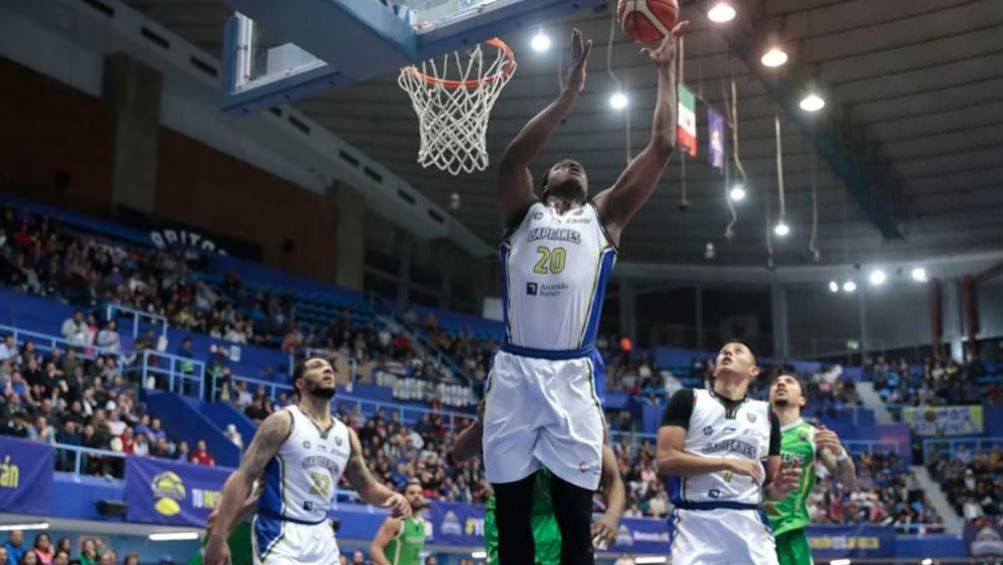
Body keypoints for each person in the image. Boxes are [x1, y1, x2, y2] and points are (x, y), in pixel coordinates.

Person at [488, 23, 685, 565]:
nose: (571, 163)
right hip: (514, 372)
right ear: (546, 181)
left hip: (572, 375)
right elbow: (510, 162)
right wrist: (568, 96)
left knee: (576, 521)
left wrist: (667, 71)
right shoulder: (520, 213)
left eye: (580, 165)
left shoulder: (604, 217)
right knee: (512, 521)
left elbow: (663, 145)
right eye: (560, 164)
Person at [204, 357, 410, 565]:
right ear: (300, 383)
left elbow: (367, 486)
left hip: (321, 535)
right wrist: (219, 537)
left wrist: (393, 497)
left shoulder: (346, 435)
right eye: (317, 366)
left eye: (329, 367)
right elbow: (244, 476)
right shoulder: (283, 422)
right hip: (279, 532)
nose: (327, 369)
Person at [657, 341, 801, 564]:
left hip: (749, 523)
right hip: (695, 521)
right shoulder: (687, 399)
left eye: (737, 351)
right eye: (723, 351)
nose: (727, 353)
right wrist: (726, 463)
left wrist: (780, 488)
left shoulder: (766, 414)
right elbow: (666, 460)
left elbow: (771, 489)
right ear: (714, 370)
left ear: (753, 371)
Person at [453, 404, 626, 565]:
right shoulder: (512, 395)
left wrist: (612, 515)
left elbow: (613, 480)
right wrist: (480, 426)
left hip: (558, 520)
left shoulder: (585, 410)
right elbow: (459, 454)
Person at [766, 373, 857, 565]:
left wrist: (839, 453)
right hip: (752, 526)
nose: (781, 383)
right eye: (776, 383)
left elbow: (848, 481)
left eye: (789, 382)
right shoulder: (753, 432)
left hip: (789, 531)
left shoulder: (812, 436)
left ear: (802, 400)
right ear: (769, 396)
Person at [369, 480, 428, 565]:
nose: (417, 496)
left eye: (420, 493)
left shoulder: (422, 522)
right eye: (412, 493)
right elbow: (375, 549)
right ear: (404, 497)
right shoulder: (395, 520)